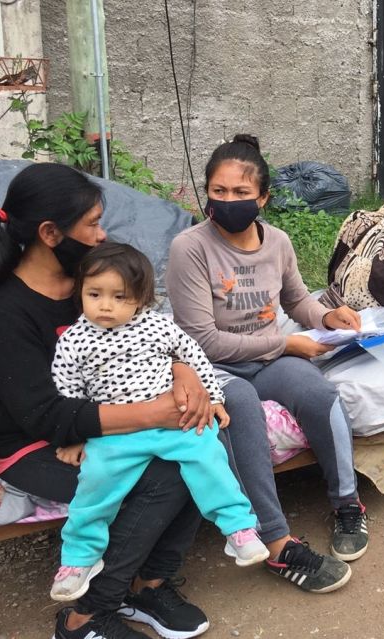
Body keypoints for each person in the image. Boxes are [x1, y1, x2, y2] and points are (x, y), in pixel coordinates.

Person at [0, 163, 214, 638]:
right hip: (32, 446)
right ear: (50, 233)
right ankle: (84, 615)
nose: (102, 235)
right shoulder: (5, 314)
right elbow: (45, 416)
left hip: (98, 422)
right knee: (166, 474)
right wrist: (154, 412)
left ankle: (148, 585)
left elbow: (148, 329)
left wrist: (182, 369)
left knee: (202, 443)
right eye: (93, 224)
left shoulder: (91, 283)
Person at [166, 134, 369, 594]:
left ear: (263, 197)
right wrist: (284, 344)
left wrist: (326, 317)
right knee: (239, 405)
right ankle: (274, 541)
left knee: (319, 393)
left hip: (266, 356)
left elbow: (296, 299)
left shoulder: (276, 241)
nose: (228, 201)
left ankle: (347, 504)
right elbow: (202, 340)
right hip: (212, 365)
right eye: (218, 191)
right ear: (206, 192)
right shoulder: (190, 248)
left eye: (241, 192)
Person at [49, 242, 270, 603]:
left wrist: (214, 397)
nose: (105, 306)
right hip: (116, 434)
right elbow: (68, 392)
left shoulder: (158, 327)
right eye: (94, 294)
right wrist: (73, 438)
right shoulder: (74, 341)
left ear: (141, 298)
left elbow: (194, 357)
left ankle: (238, 529)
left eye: (119, 297)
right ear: (81, 292)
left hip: (171, 425)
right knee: (94, 486)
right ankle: (78, 560)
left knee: (209, 455)